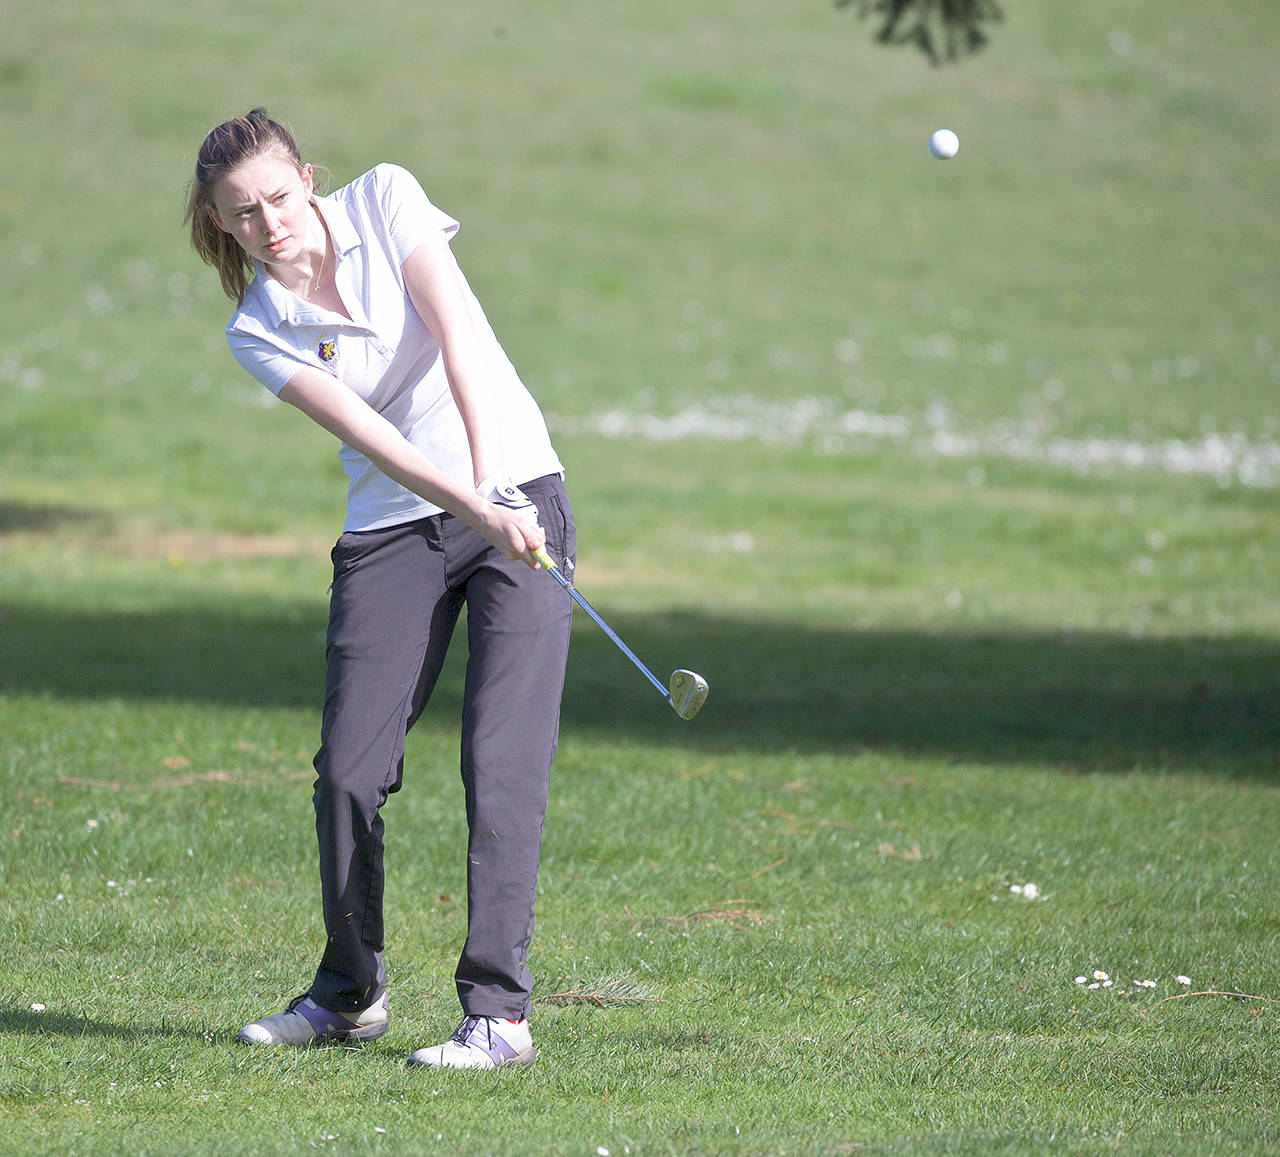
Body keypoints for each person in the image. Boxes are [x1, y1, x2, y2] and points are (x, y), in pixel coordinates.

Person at [184, 108, 575, 1069]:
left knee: (501, 758)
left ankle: (499, 1015)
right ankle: (349, 992)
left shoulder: (387, 197)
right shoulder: (257, 329)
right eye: (244, 213)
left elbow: (459, 335)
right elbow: (377, 440)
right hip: (393, 527)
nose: (270, 223)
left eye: (279, 197)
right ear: (220, 221)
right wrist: (466, 500)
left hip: (516, 490)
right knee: (349, 772)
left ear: (308, 178)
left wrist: (495, 484)